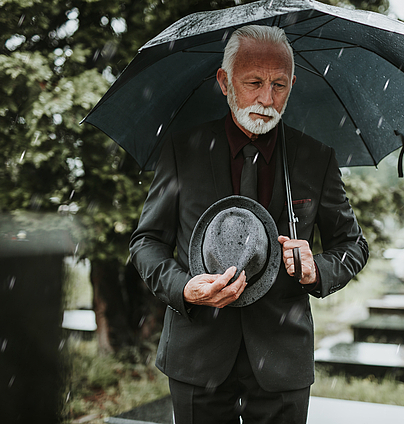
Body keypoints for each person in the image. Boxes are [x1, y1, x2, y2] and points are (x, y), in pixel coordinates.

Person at [129, 25, 369, 424]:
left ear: (293, 83)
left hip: (283, 363)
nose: (266, 98)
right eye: (253, 82)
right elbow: (147, 242)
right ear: (224, 82)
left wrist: (317, 269)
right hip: (196, 357)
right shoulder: (181, 151)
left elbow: (353, 245)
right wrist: (183, 288)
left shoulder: (316, 158)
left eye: (279, 85)